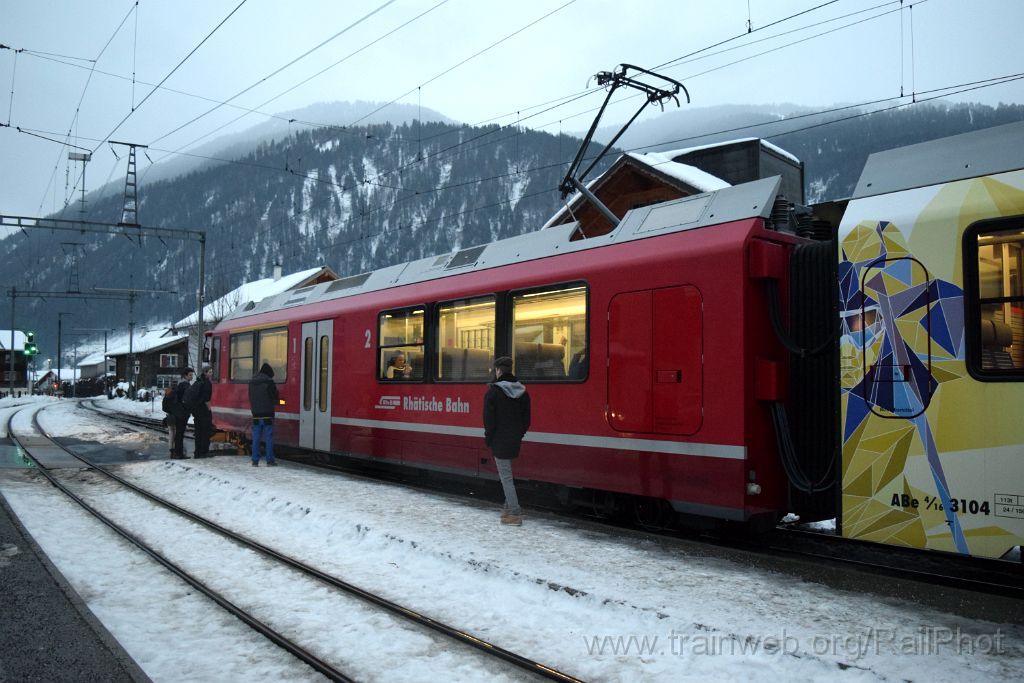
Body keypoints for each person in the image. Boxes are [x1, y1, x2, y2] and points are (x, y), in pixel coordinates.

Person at [483, 356, 531, 526]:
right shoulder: (522, 392)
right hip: (514, 440)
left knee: (506, 478)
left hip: (499, 440)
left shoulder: (493, 392)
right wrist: (518, 434)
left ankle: (515, 513)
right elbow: (526, 419)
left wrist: (489, 438)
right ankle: (507, 509)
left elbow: (489, 420)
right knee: (507, 475)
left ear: (498, 371)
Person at [248, 362, 279, 467]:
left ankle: (255, 461)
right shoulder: (269, 383)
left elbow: (250, 398)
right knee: (268, 437)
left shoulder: (252, 382)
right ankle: (269, 460)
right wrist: (281, 401)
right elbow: (275, 399)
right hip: (267, 415)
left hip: (256, 415)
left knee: (256, 437)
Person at [186, 364, 215, 458]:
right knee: (206, 431)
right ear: (205, 373)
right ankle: (203, 451)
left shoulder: (198, 381)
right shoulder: (207, 383)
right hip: (203, 410)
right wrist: (208, 408)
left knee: (198, 431)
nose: (211, 374)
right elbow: (206, 398)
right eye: (210, 372)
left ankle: (197, 452)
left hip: (196, 410)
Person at [171, 367, 194, 458]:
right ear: (185, 376)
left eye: (192, 375)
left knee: (179, 433)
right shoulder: (185, 385)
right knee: (180, 433)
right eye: (190, 375)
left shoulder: (180, 384)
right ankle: (179, 453)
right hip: (182, 412)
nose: (192, 377)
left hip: (178, 411)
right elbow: (187, 400)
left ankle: (178, 452)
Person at [161, 386, 180, 459]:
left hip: (169, 417)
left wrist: (169, 411)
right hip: (175, 416)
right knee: (176, 433)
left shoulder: (166, 397)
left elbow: (164, 408)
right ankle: (175, 448)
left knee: (171, 433)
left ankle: (171, 448)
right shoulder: (175, 396)